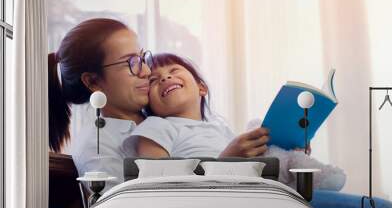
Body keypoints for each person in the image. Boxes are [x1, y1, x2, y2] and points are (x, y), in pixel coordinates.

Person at [123, 53, 345, 190]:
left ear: (201, 87)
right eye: (153, 80)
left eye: (173, 71)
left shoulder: (221, 129)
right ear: (148, 101)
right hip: (222, 193)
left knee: (262, 136)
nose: (164, 77)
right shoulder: (157, 126)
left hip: (252, 184)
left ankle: (296, 163)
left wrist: (287, 146)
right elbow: (156, 181)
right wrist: (227, 159)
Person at [48, 18, 153, 190]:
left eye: (143, 58)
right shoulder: (96, 149)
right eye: (131, 63)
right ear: (93, 81)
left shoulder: (161, 112)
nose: (147, 71)